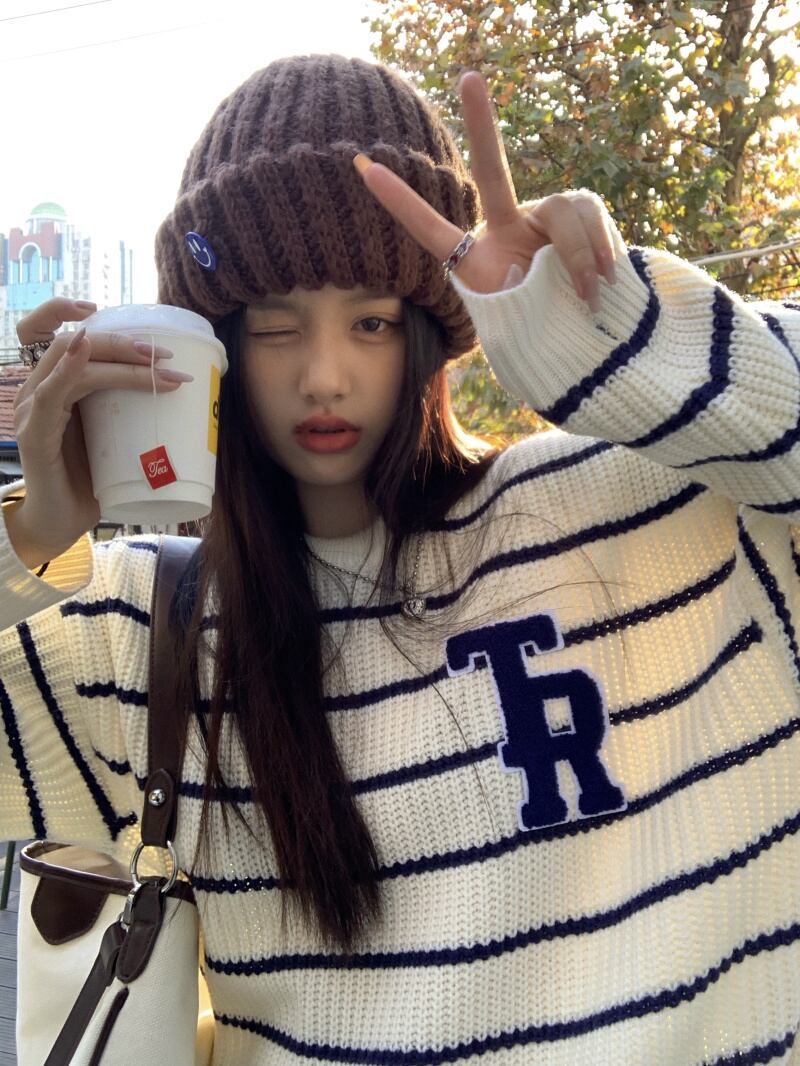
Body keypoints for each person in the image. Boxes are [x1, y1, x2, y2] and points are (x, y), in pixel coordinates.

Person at [2, 52, 799, 1066]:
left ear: (429, 328)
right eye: (274, 327)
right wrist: (30, 534)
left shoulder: (643, 507)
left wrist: (622, 337)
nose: (324, 376)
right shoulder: (147, 633)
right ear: (212, 352)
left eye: (372, 321)